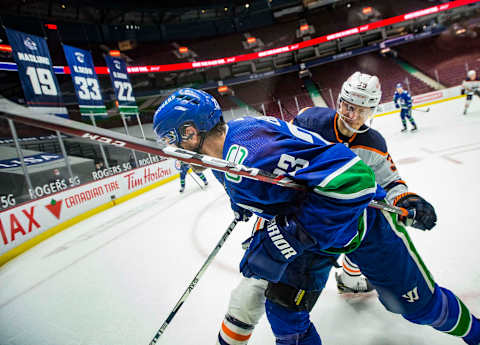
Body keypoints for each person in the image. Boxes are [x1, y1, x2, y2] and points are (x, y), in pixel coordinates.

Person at [153, 87, 480, 345]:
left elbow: (356, 182)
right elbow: (263, 187)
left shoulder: (254, 151)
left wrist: (294, 235)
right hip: (313, 234)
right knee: (284, 316)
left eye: (170, 140)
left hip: (358, 223)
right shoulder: (225, 155)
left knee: (418, 308)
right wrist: (248, 207)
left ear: (190, 133)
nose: (171, 151)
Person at [213, 72, 438, 345]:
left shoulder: (374, 144)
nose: (350, 114)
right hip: (292, 216)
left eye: (360, 109)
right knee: (254, 287)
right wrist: (243, 193)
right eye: (346, 104)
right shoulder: (311, 119)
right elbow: (275, 147)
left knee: (359, 235)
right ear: (339, 100)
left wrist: (405, 198)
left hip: (336, 221)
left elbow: (390, 182)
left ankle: (352, 275)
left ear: (373, 110)